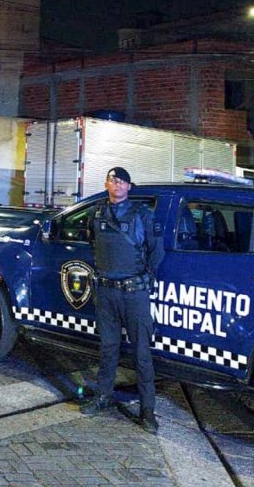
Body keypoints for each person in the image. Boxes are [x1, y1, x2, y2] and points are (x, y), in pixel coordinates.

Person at [80, 166, 165, 434]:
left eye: (122, 181)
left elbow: (157, 252)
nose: (117, 184)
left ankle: (147, 410)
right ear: (107, 184)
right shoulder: (96, 213)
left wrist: (142, 277)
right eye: (112, 180)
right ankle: (103, 396)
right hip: (106, 293)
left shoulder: (142, 214)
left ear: (129, 187)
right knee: (108, 349)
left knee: (142, 353)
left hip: (133, 294)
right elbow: (93, 244)